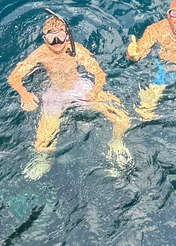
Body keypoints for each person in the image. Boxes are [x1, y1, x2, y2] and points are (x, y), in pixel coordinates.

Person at [8, 15, 131, 179]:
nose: (57, 42)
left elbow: (99, 73)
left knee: (122, 119)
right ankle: (42, 160)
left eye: (60, 36)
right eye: (51, 38)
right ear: (45, 40)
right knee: (42, 144)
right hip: (55, 94)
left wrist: (95, 90)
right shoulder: (40, 54)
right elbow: (13, 77)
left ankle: (116, 143)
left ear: (67, 35)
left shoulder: (76, 50)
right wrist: (24, 94)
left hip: (79, 87)